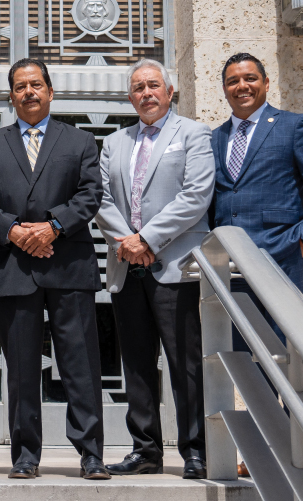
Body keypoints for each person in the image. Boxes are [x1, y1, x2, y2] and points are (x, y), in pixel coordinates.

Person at [0, 58, 108, 480]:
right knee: (22, 370)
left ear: (51, 91)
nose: (29, 92)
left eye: (36, 85)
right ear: (10, 96)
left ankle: (91, 455)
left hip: (69, 267)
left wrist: (53, 227)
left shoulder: (81, 141)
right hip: (13, 269)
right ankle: (26, 456)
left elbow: (91, 194)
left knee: (81, 366)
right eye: (20, 86)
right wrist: (13, 231)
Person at [95, 59, 212, 480]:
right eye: (138, 88)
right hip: (128, 268)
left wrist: (148, 239)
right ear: (130, 98)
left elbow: (196, 195)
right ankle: (145, 449)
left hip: (176, 267)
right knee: (137, 364)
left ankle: (196, 450)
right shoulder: (114, 142)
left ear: (170, 91)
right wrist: (129, 242)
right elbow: (102, 199)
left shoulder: (194, 134)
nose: (146, 93)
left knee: (185, 364)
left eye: (153, 86)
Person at [210, 52, 303, 349]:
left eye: (250, 78)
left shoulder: (292, 126)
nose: (242, 86)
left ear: (265, 82)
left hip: (283, 258)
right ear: (224, 90)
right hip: (234, 265)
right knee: (248, 355)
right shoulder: (213, 138)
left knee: (291, 353)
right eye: (233, 81)